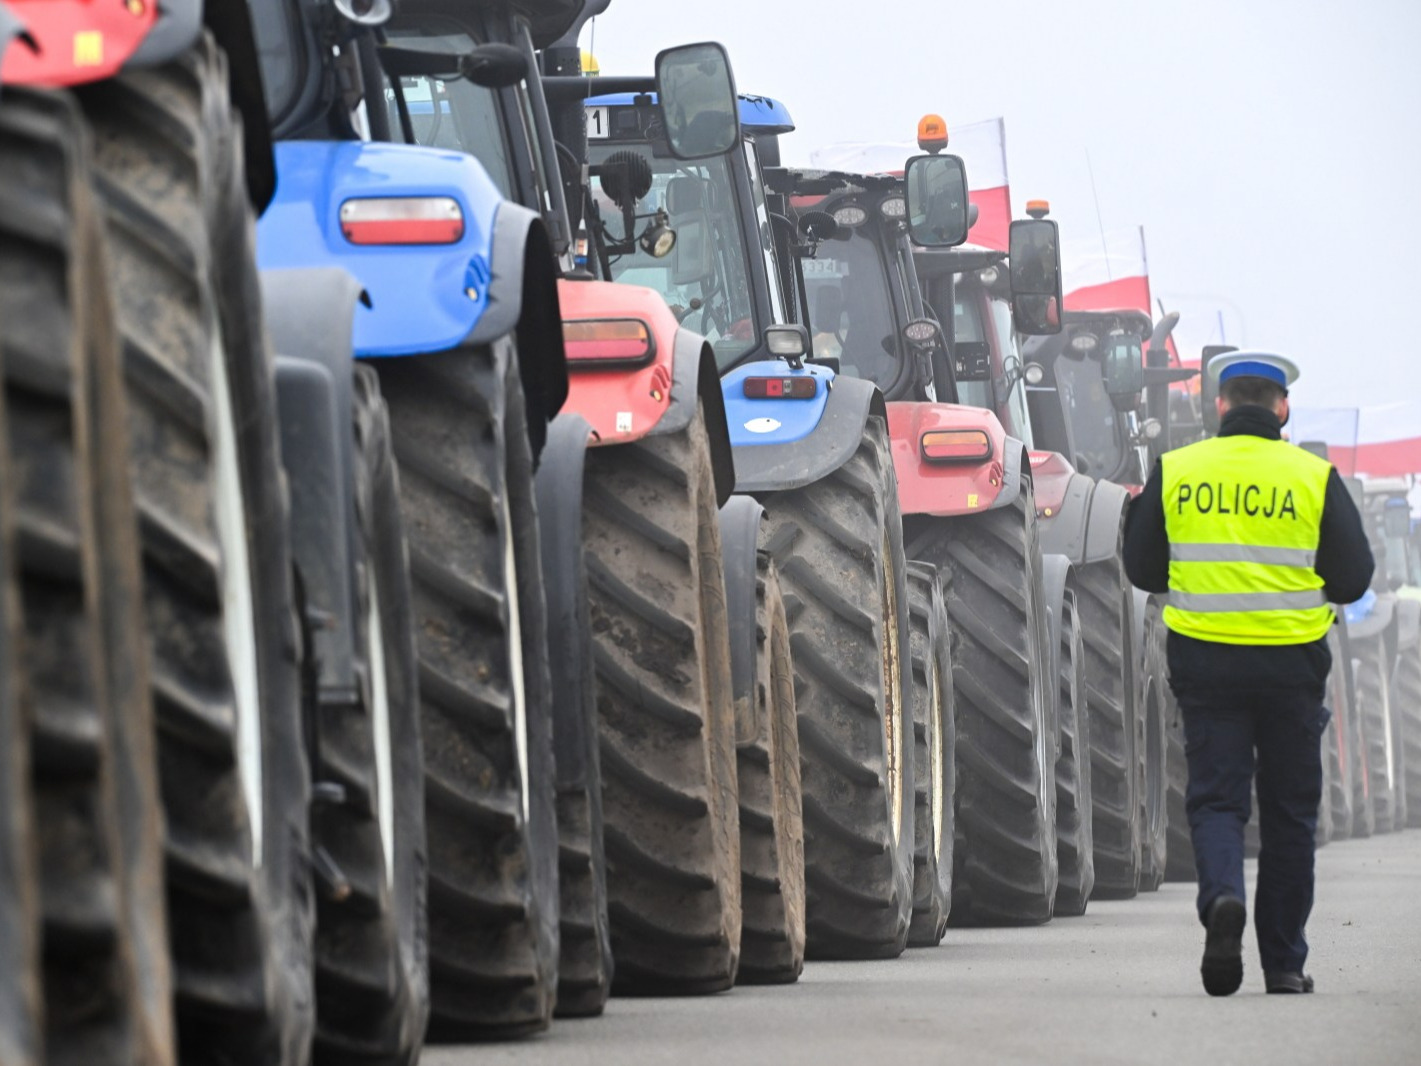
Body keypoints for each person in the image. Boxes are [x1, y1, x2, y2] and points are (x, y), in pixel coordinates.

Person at [1122, 352, 1374, 997]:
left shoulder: (1177, 471)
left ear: (1221, 405)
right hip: (1292, 668)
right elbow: (1353, 578)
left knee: (1217, 799)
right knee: (1290, 815)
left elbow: (1143, 570)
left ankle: (1223, 900)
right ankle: (1284, 964)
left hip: (1206, 664)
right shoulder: (1313, 477)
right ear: (1282, 408)